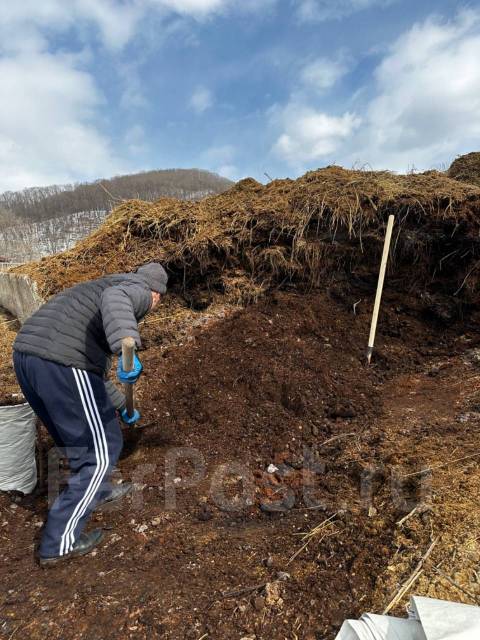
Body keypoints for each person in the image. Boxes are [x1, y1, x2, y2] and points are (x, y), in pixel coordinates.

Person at [13, 263, 168, 566]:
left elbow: (93, 377)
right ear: (157, 295)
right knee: (102, 450)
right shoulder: (135, 290)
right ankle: (59, 543)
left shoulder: (96, 290)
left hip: (28, 358)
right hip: (61, 362)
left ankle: (99, 490)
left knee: (78, 441)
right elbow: (117, 301)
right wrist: (128, 347)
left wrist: (123, 406)